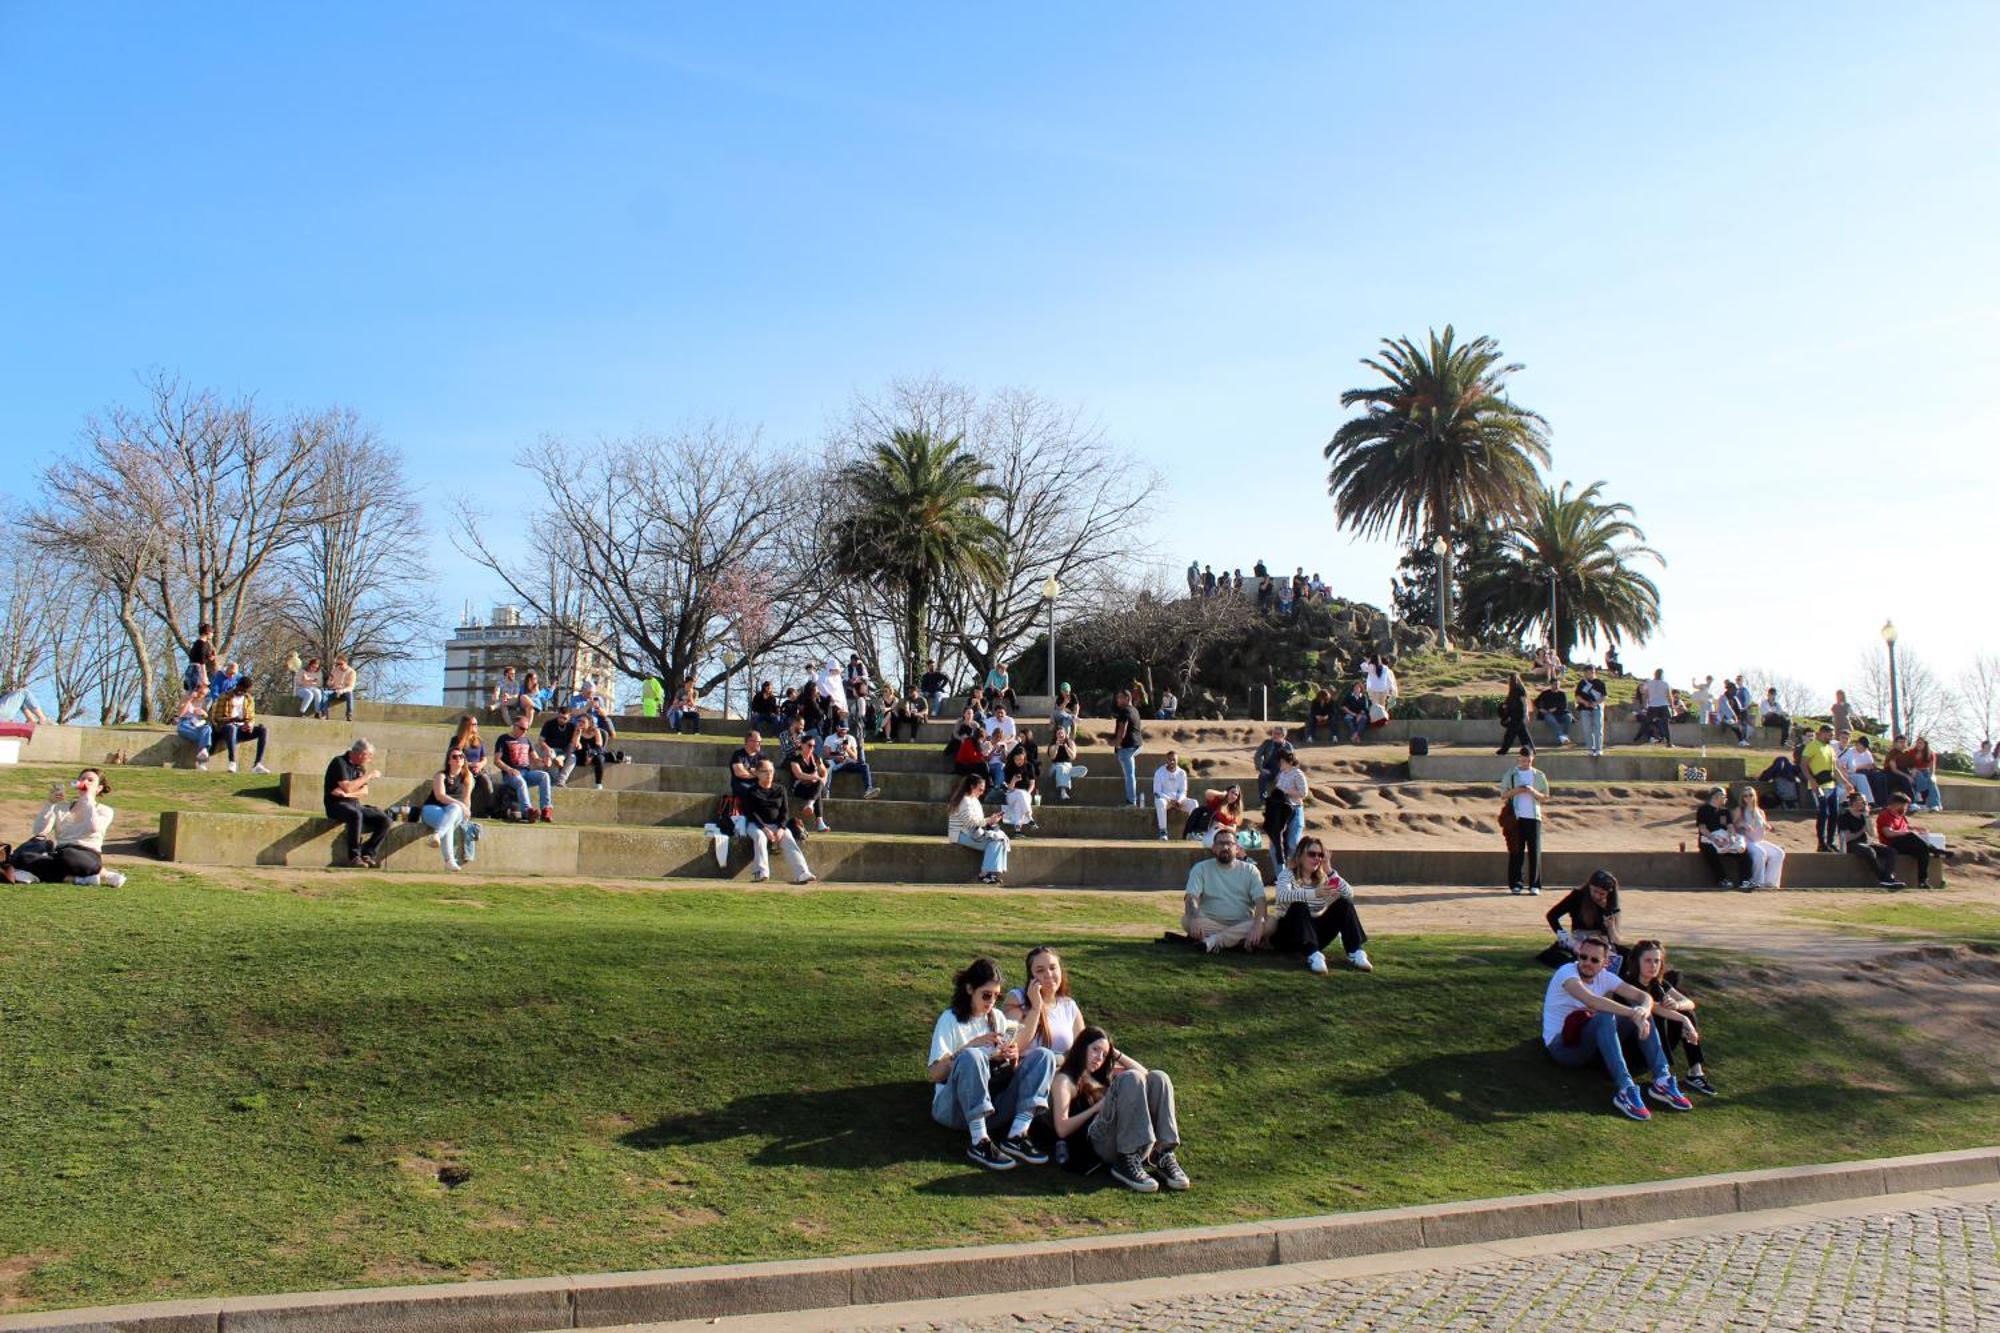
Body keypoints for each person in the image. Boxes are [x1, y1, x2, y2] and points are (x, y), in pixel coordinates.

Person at [1541, 935, 1692, 1121]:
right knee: (1605, 1014)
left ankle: (1662, 1080)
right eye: (1583, 957)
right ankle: (1625, 1089)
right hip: (1562, 1047)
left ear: (1605, 963)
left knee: (1643, 1013)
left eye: (1594, 959)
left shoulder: (1606, 977)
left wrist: (1642, 1011)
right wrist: (1633, 1013)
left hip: (1587, 1041)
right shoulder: (1567, 972)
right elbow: (1592, 1000)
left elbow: (1644, 998)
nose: (1587, 963)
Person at [926, 958, 1055, 1172]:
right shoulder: (949, 1019)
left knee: (1044, 1056)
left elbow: (1008, 1071)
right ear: (969, 989)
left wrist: (1011, 1057)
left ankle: (1017, 1134)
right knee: (972, 1057)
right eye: (986, 995)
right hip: (953, 1110)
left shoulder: (996, 1018)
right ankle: (979, 1141)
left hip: (993, 1105)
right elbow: (935, 1075)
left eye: (997, 996)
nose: (991, 1002)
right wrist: (967, 1048)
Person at [1047, 1026, 1188, 1193]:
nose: (1099, 1058)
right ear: (1081, 1047)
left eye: (1104, 1054)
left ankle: (1162, 1153)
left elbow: (1146, 1075)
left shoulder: (1102, 1075)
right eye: (1095, 1050)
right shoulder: (1065, 1080)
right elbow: (1062, 1129)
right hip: (1098, 1143)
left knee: (1159, 1077)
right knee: (1131, 1078)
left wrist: (1115, 1053)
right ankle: (1125, 1160)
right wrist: (1097, 1108)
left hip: (1132, 1141)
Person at [1618, 940, 1719, 1097]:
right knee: (1662, 1015)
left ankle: (1695, 1073)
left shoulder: (1659, 984)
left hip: (1659, 1044)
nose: (1653, 965)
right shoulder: (1626, 983)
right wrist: (1683, 1021)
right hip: (1635, 1046)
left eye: (1657, 961)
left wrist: (1676, 1005)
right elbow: (1653, 1008)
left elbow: (1690, 1003)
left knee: (1688, 1012)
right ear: (1637, 962)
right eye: (1648, 960)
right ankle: (1662, 1078)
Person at [0, 768, 126, 885]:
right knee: (23, 857)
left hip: (86, 856)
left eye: (90, 780)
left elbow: (93, 829)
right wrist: (50, 804)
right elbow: (40, 831)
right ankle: (78, 879)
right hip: (60, 854)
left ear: (99, 788)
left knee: (68, 855)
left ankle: (103, 874)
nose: (85, 782)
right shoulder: (63, 807)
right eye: (82, 779)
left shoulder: (104, 810)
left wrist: (88, 799)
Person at [1273, 835, 1371, 974]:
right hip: (1290, 935)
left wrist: (1329, 870)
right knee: (1299, 906)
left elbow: (1349, 894)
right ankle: (1313, 955)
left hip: (1314, 934)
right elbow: (1282, 895)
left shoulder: (1324, 878)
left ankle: (1355, 951)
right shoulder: (1287, 875)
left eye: (1320, 855)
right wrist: (1315, 893)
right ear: (1300, 855)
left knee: (1344, 903)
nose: (1317, 858)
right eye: (1312, 854)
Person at [1181, 827, 1268, 952]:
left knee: (1270, 923)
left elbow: (1260, 900)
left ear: (1237, 848)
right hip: (1210, 923)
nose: (1225, 847)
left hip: (1242, 923)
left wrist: (1258, 924)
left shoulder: (1250, 870)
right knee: (1186, 920)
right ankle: (1237, 941)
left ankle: (1213, 941)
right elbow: (1191, 898)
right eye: (1221, 843)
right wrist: (1194, 918)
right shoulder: (1200, 868)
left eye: (1229, 844)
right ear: (1213, 848)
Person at [737, 759, 816, 884]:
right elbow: (751, 813)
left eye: (771, 771)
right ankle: (761, 872)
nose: (769, 774)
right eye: (765, 771)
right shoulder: (751, 791)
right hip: (756, 825)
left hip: (777, 825)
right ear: (757, 773)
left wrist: (781, 828)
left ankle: (802, 873)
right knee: (759, 836)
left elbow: (785, 812)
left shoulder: (780, 789)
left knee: (788, 837)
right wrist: (765, 829)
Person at [323, 739, 391, 868]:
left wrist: (348, 794)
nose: (370, 759)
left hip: (353, 803)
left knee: (385, 819)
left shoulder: (360, 768)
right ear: (360, 754)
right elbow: (347, 786)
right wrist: (369, 776)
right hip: (336, 805)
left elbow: (364, 791)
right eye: (368, 756)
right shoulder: (339, 762)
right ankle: (354, 856)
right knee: (356, 814)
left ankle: (368, 853)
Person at [947, 774, 1010, 885]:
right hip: (960, 834)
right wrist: (989, 820)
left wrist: (991, 821)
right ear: (972, 786)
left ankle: (989, 873)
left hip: (971, 832)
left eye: (983, 790)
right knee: (996, 840)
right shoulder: (964, 801)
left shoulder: (974, 800)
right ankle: (985, 874)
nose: (982, 792)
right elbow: (970, 822)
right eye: (980, 789)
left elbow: (977, 821)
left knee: (1000, 838)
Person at [1876, 792, 1947, 888]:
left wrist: (1917, 829)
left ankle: (1922, 881)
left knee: (1923, 851)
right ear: (1895, 804)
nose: (1905, 809)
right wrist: (1907, 833)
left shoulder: (1901, 816)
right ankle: (1935, 850)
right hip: (1892, 843)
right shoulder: (1885, 815)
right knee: (1912, 837)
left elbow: (1906, 827)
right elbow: (1888, 833)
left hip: (1905, 843)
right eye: (1903, 806)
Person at [420, 749, 476, 871]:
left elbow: (467, 799)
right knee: (449, 821)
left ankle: (437, 835)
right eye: (455, 757)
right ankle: (449, 861)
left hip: (455, 814)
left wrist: (466, 811)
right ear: (449, 761)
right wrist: (461, 805)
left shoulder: (467, 777)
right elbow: (440, 796)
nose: (458, 759)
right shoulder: (440, 775)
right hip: (432, 810)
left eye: (461, 756)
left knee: (453, 811)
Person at [1803, 724, 1855, 852]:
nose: (1830, 737)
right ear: (1821, 733)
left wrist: (1845, 783)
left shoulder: (1830, 748)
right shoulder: (1812, 746)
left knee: (1834, 814)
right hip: (1819, 784)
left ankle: (1830, 842)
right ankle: (1821, 843)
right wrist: (1811, 780)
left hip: (1831, 784)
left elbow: (1835, 768)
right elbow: (1804, 765)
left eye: (1831, 735)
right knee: (1823, 813)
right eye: (1828, 734)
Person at [1545, 869, 1623, 956]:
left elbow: (1616, 940)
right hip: (1579, 939)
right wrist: (1568, 939)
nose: (1597, 896)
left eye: (1602, 894)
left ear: (1609, 892)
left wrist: (1611, 927)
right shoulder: (1577, 896)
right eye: (1594, 891)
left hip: (1602, 943)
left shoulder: (1611, 904)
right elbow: (1551, 915)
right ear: (1589, 886)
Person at [1836, 792, 1905, 888]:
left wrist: (1867, 817)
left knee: (1890, 851)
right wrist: (1862, 830)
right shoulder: (1844, 817)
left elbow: (1872, 834)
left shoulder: (1863, 816)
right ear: (1852, 803)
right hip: (1851, 845)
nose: (1863, 804)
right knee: (1869, 851)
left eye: (1864, 802)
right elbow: (1846, 838)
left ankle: (1888, 876)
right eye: (1859, 802)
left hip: (1865, 843)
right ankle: (1883, 878)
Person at [1502, 749, 1548, 895]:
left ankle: (1535, 885)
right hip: (1516, 818)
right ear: (1518, 759)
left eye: (1528, 760)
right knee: (1516, 851)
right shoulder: (1511, 774)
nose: (1525, 763)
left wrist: (1533, 792)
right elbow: (1504, 794)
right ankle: (1516, 884)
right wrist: (1519, 790)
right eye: (1522, 760)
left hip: (1534, 817)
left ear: (1532, 759)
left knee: (1534, 851)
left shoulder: (1539, 775)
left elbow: (1545, 797)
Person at [494, 715, 555, 823]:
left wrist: (544, 761)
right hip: (510, 775)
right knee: (520, 781)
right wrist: (509, 769)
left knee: (544, 776)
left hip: (526, 773)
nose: (525, 731)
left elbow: (535, 759)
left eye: (527, 729)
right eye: (522, 728)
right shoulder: (503, 739)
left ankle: (546, 809)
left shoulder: (526, 740)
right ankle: (527, 811)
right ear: (515, 726)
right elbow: (497, 760)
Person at [1694, 786, 1752, 889]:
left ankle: (1745, 881)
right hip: (1708, 839)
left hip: (1724, 839)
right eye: (1723, 796)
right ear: (1716, 797)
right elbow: (1703, 828)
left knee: (1743, 853)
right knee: (1710, 852)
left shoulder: (1725, 811)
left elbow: (1730, 826)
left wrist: (1732, 838)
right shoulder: (1703, 810)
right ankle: (1722, 879)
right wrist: (1714, 840)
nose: (1725, 799)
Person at [208, 677, 270, 774]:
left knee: (263, 730)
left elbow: (251, 717)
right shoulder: (225, 697)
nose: (242, 693)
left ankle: (257, 764)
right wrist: (232, 719)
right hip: (225, 729)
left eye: (244, 691)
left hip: (241, 729)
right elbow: (216, 719)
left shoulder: (248, 699)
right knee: (231, 727)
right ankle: (232, 762)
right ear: (237, 686)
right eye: (241, 690)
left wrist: (250, 724)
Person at [1263, 745, 1308, 874]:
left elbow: (1303, 793)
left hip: (1295, 810)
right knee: (1275, 845)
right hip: (1280, 812)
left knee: (1293, 843)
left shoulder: (1298, 774)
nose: (1280, 764)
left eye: (1281, 761)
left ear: (1288, 761)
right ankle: (1281, 876)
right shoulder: (1281, 774)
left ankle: (1295, 872)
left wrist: (1285, 792)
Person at [1733, 787, 1786, 888]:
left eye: (1751, 795)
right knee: (1760, 853)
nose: (1748, 798)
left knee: (1779, 853)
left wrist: (1767, 827)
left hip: (1759, 840)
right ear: (1742, 798)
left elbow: (1764, 824)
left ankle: (1770, 882)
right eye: (1745, 796)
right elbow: (1733, 825)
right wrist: (1742, 824)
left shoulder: (1760, 812)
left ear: (1755, 796)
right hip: (1746, 840)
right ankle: (1757, 882)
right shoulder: (1739, 810)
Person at [822, 720, 883, 801]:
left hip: (847, 762)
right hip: (834, 762)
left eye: (845, 730)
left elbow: (855, 757)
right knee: (828, 765)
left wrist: (847, 749)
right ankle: (826, 791)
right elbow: (826, 754)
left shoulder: (850, 738)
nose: (844, 732)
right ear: (837, 728)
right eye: (842, 729)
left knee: (865, 766)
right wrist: (837, 756)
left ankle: (869, 790)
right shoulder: (829, 738)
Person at [1151, 752, 1199, 841]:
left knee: (1194, 803)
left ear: (1177, 761)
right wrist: (1169, 800)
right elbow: (1157, 791)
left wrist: (1179, 800)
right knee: (1160, 802)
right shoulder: (1159, 772)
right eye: (1170, 759)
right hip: (1165, 800)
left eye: (1174, 760)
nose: (1172, 762)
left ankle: (1192, 832)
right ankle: (1163, 832)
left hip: (1178, 801)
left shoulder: (1182, 773)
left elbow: (1183, 791)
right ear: (1167, 760)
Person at [788, 735, 830, 833]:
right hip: (800, 788)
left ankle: (810, 804)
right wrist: (814, 777)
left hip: (813, 788)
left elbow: (824, 773)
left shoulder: (815, 757)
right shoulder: (795, 759)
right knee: (818, 789)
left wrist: (820, 768)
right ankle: (819, 822)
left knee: (818, 785)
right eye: (810, 745)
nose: (812, 748)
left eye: (814, 746)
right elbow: (799, 775)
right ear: (802, 745)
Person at [1110, 689, 1145, 807]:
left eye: (1120, 697)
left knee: (1130, 775)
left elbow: (1122, 729)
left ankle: (1131, 801)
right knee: (1130, 774)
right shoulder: (1134, 710)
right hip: (1137, 745)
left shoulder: (1124, 711)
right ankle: (1132, 800)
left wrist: (1117, 743)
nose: (1117, 700)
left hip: (1127, 747)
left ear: (1127, 698)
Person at [173, 688, 215, 769]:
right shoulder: (186, 698)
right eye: (200, 693)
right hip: (185, 723)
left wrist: (203, 713)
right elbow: (180, 714)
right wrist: (190, 699)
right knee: (204, 735)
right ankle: (202, 758)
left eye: (204, 694)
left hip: (196, 724)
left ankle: (202, 752)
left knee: (207, 728)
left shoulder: (203, 702)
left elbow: (205, 716)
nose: (201, 696)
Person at [1572, 663, 1607, 758]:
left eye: (1591, 672)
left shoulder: (1600, 683)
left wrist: (1596, 703)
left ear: (1594, 672)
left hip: (1597, 708)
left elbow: (1604, 696)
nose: (1589, 674)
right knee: (1587, 728)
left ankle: (1599, 749)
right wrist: (1584, 702)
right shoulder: (1582, 683)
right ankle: (1590, 749)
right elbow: (1577, 696)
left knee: (1598, 728)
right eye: (1586, 672)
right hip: (1584, 709)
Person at [1633, 669, 1674, 746]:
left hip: (1652, 706)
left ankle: (1637, 738)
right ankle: (1669, 742)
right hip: (1663, 705)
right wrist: (1672, 706)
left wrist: (1645, 705)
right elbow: (1669, 696)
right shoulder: (1665, 684)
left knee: (1646, 723)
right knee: (1665, 724)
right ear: (1662, 675)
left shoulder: (1649, 684)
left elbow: (1645, 695)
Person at [1046, 727, 1088, 801]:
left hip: (1067, 765)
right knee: (1061, 768)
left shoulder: (1070, 742)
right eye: (1058, 733)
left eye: (1062, 733)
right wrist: (1057, 746)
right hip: (1055, 767)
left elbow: (1073, 757)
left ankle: (1069, 772)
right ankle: (1063, 791)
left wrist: (1066, 747)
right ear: (1055, 735)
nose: (1060, 735)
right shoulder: (1052, 745)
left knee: (1083, 769)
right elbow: (1052, 757)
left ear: (1065, 734)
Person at [1497, 674, 1532, 755]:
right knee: (1523, 734)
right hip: (1514, 715)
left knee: (1510, 734)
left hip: (1518, 715)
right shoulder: (1513, 689)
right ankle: (1530, 749)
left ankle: (1503, 750)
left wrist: (1526, 714)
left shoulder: (1519, 689)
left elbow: (1524, 702)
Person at [1906, 735, 1943, 813]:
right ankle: (1921, 797)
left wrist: (1932, 776)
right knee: (1919, 776)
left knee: (1932, 782)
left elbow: (1932, 767)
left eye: (1921, 743)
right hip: (1914, 771)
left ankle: (1935, 805)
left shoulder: (1930, 753)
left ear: (1925, 744)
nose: (1918, 745)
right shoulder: (1911, 752)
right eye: (1917, 743)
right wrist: (1912, 771)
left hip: (1926, 771)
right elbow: (1907, 765)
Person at [729, 731, 769, 800]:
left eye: (760, 741)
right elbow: (740, 773)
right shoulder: (738, 755)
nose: (760, 744)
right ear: (749, 741)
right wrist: (758, 773)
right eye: (758, 741)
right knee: (753, 792)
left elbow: (767, 773)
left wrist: (749, 770)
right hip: (741, 784)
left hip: (758, 784)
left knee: (779, 790)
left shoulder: (762, 756)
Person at [1533, 681, 1574, 747]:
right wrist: (1541, 709)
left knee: (1568, 717)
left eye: (1558, 684)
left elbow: (1564, 706)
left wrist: (1556, 708)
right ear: (1551, 685)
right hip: (1548, 714)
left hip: (1560, 713)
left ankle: (1564, 737)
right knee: (1551, 720)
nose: (1557, 686)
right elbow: (1536, 702)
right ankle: (1564, 740)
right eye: (1555, 684)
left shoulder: (1562, 693)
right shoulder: (1545, 693)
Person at [183, 622, 216, 694]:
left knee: (193, 694)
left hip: (191, 669)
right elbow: (201, 662)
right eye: (212, 632)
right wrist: (205, 677)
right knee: (196, 694)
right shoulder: (202, 644)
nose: (213, 634)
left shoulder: (200, 643)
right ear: (207, 632)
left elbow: (205, 657)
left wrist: (211, 657)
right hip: (196, 670)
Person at [321, 657, 357, 721]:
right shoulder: (334, 670)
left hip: (344, 692)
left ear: (346, 663)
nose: (339, 665)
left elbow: (351, 687)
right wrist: (330, 682)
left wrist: (342, 690)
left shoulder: (352, 672)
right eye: (338, 664)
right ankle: (324, 714)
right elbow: (328, 684)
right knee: (325, 693)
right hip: (334, 691)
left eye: (341, 664)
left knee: (350, 694)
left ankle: (349, 714)